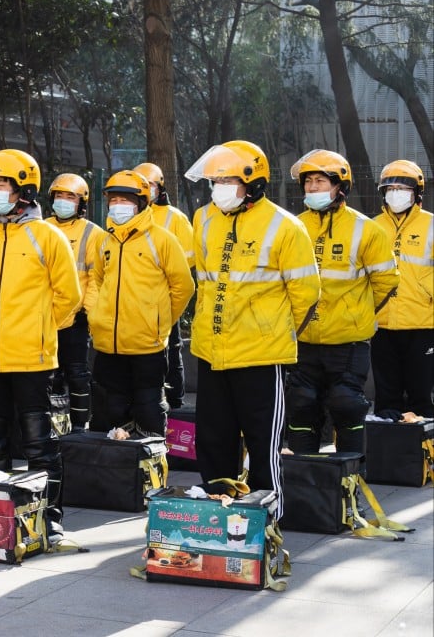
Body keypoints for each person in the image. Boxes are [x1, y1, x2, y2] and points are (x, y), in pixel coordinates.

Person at [184, 140, 320, 519]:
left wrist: (270, 331)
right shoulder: (203, 218)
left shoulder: (285, 226)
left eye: (228, 179)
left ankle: (267, 519)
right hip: (211, 351)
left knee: (263, 442)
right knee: (212, 440)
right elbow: (200, 277)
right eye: (216, 179)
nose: (219, 187)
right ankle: (216, 514)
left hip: (261, 354)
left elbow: (306, 295)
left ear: (252, 182)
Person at [0, 149, 81, 543]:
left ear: (24, 190)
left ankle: (49, 518)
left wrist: (42, 328)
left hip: (32, 357)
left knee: (38, 443)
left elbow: (69, 295)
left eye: (3, 185)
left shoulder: (47, 236)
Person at [284, 150, 398, 454]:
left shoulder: (366, 230)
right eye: (308, 182)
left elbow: (386, 282)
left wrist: (355, 313)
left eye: (320, 181)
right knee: (301, 404)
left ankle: (349, 481)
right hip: (303, 340)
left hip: (348, 342)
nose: (312, 188)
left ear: (339, 186)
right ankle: (304, 480)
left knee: (346, 404)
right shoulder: (293, 227)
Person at [86, 170, 195, 436]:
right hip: (108, 344)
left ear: (141, 203)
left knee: (149, 410)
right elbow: (97, 280)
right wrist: (97, 316)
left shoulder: (162, 239)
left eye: (125, 200)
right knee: (107, 410)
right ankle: (108, 471)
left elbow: (183, 286)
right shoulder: (104, 240)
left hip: (147, 346)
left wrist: (161, 321)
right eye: (114, 200)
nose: (118, 206)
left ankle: (151, 466)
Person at [370, 159, 433, 419]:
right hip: (381, 326)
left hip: (423, 325)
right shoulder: (372, 227)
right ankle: (386, 457)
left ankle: (425, 455)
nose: (395, 193)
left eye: (402, 188)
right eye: (390, 188)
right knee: (386, 401)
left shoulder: (431, 225)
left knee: (421, 398)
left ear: (416, 193)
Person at [44, 173, 104, 432]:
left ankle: (80, 427)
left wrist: (85, 311)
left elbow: (96, 278)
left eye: (70, 197)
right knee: (50, 376)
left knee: (77, 374)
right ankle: (53, 425)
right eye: (59, 195)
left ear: (82, 202)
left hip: (75, 317)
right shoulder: (41, 227)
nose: (63, 201)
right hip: (43, 316)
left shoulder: (93, 233)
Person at [134, 162, 195, 410]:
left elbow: (189, 257)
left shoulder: (175, 218)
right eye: (141, 185)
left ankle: (176, 401)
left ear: (160, 188)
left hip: (166, 295)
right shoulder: (128, 215)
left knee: (172, 347)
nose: (146, 190)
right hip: (135, 296)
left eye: (150, 185)